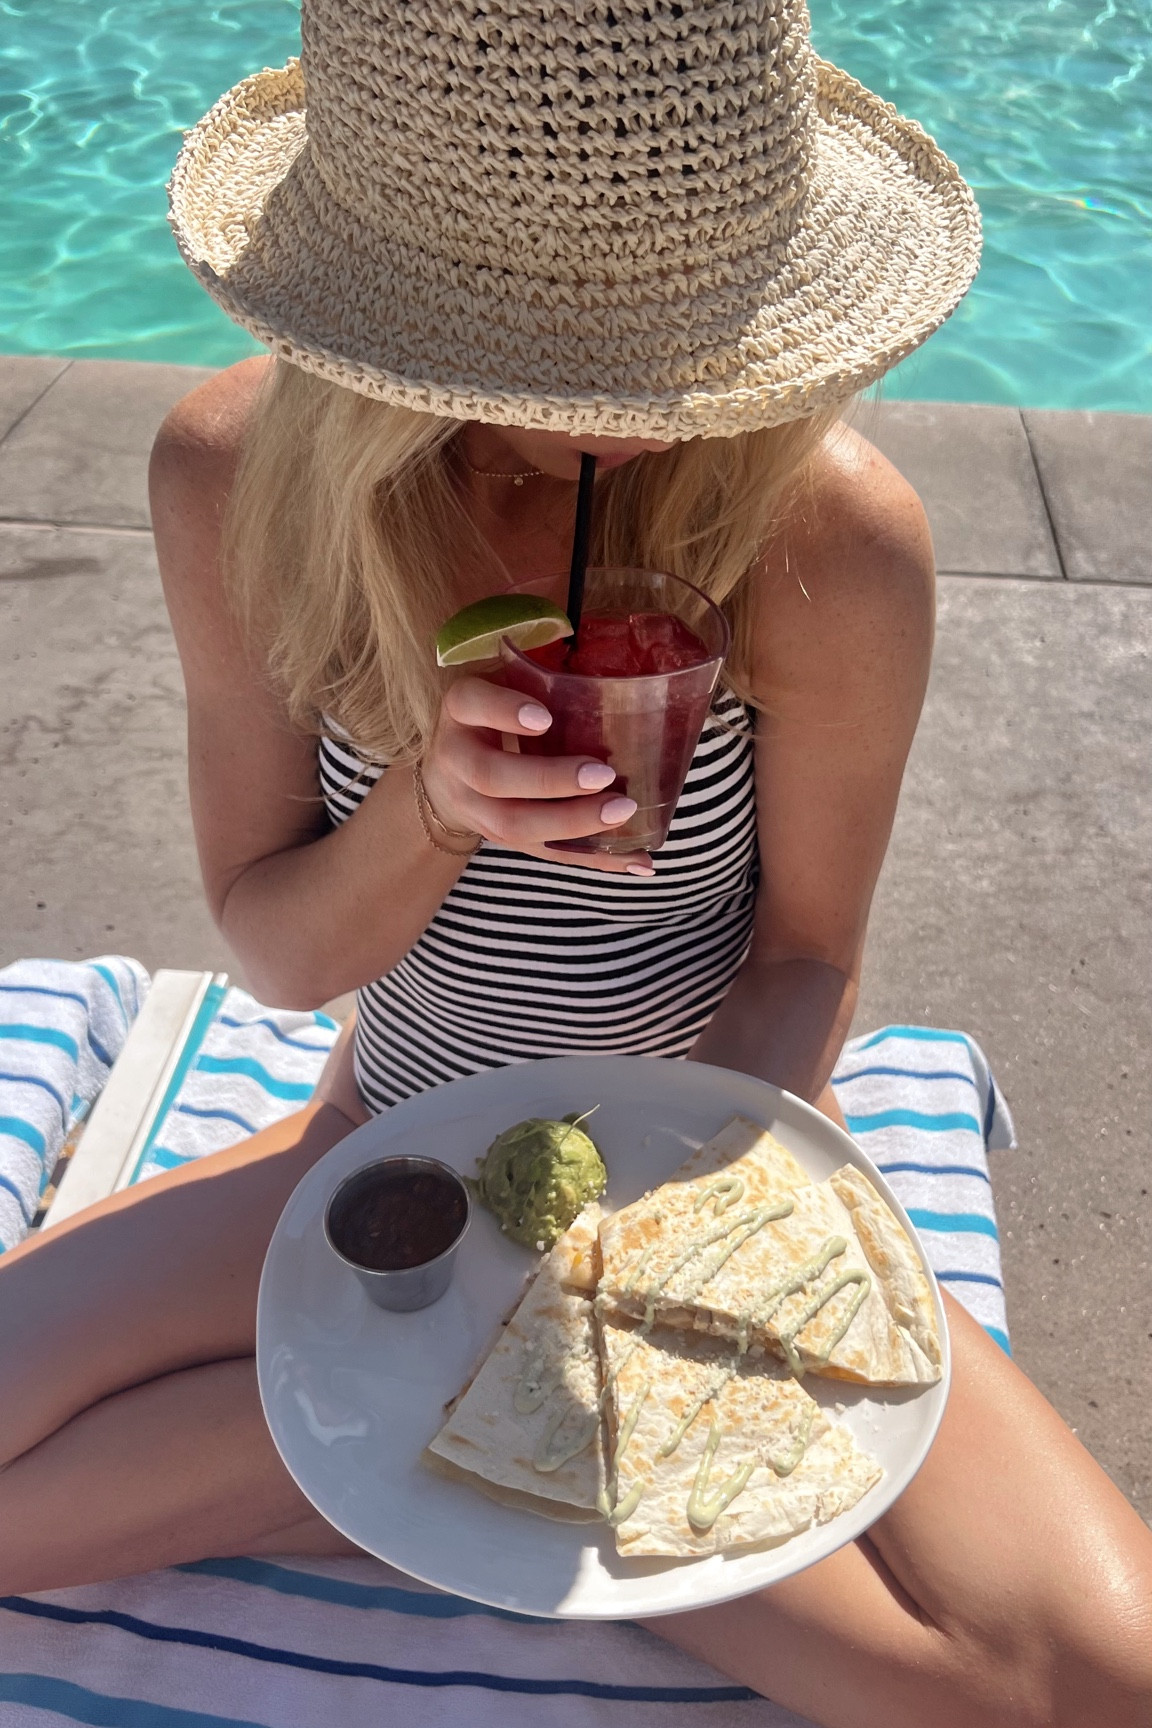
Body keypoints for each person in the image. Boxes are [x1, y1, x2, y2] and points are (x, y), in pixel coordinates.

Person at [2, 1, 1150, 1723]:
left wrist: (651, 1243)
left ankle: (413, 1470)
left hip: (689, 1176)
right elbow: (279, 951)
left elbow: (807, 962)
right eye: (540, 366)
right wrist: (428, 811)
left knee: (1088, 1679)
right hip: (379, 1145)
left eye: (674, 342)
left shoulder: (825, 538)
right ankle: (433, 1471)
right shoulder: (240, 477)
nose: (628, 426)